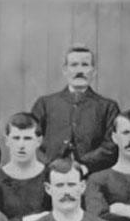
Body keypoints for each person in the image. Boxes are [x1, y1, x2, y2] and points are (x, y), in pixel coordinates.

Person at [31, 45, 120, 175]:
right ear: (65, 70)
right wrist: (49, 165)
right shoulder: (45, 104)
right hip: (49, 176)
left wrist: (83, 165)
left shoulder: (108, 107)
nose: (79, 70)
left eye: (85, 65)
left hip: (93, 176)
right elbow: (30, 140)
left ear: (93, 71)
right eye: (74, 65)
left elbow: (111, 145)